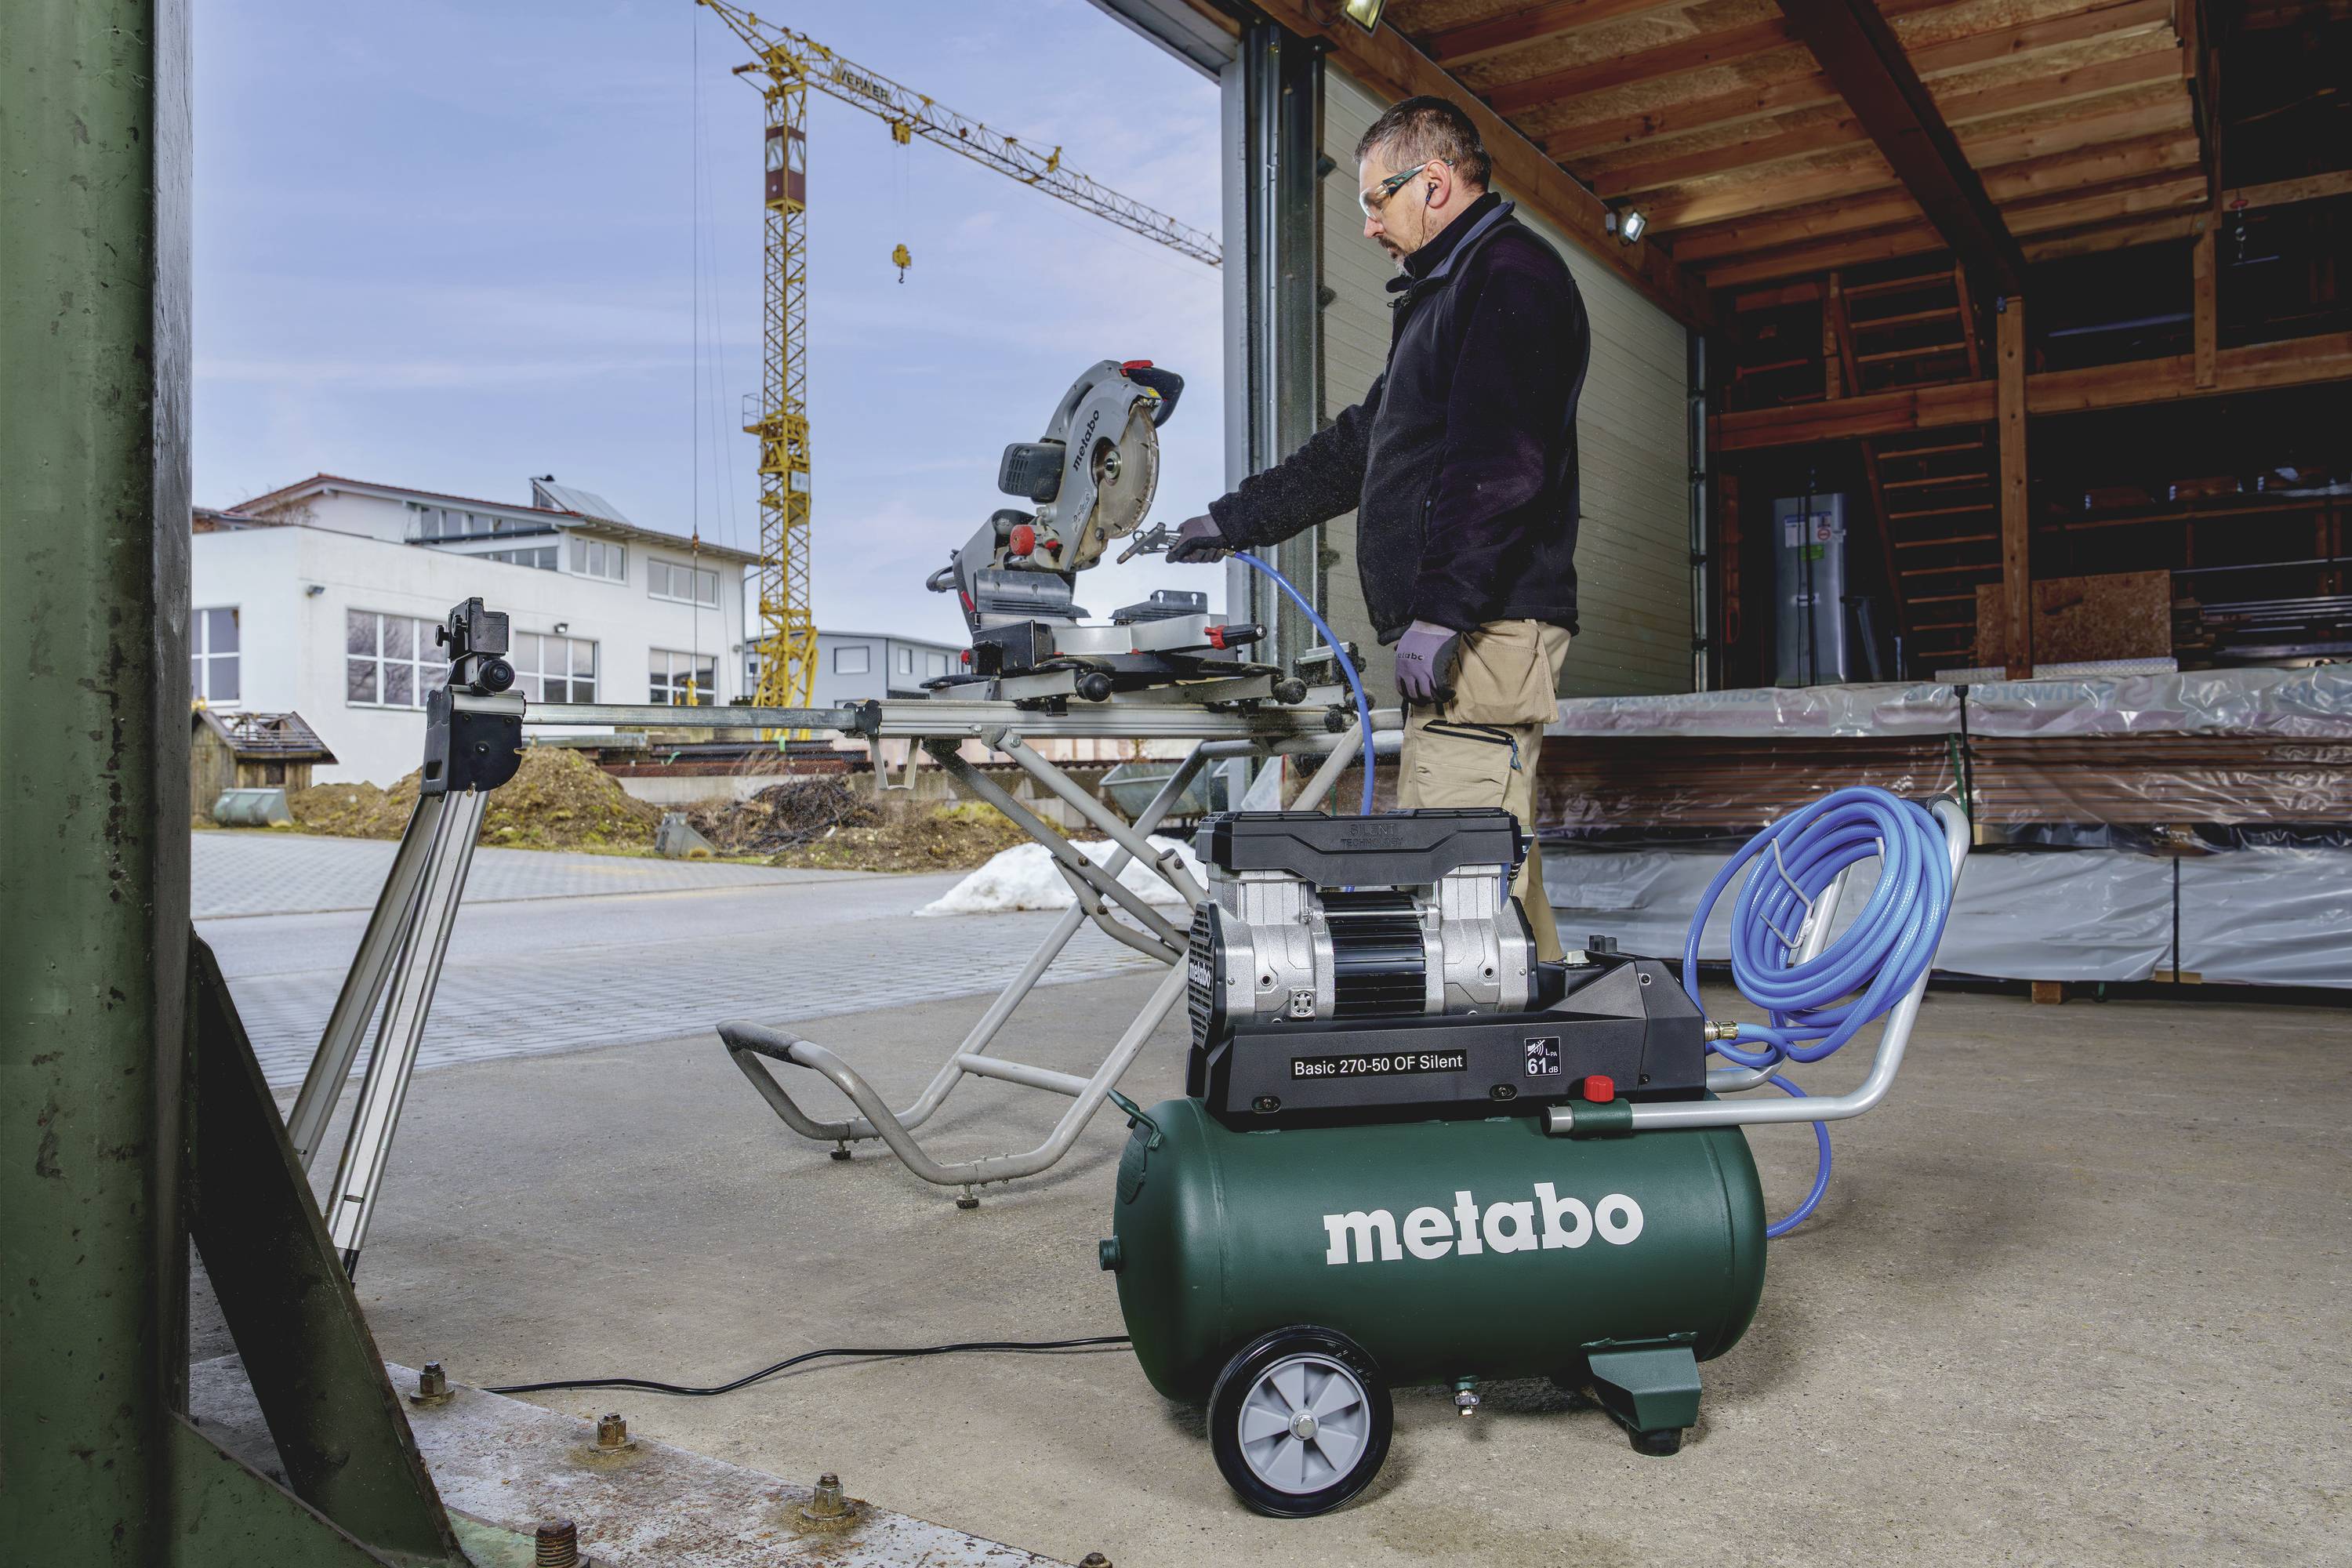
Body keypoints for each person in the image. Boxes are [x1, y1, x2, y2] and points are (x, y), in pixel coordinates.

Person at [1165, 95, 1590, 960]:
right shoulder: (1442, 296)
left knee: (1460, 881)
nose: (1366, 226)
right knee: (1491, 866)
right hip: (1466, 628)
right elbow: (1366, 445)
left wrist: (1443, 610)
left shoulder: (1509, 276)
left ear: (1432, 182)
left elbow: (1501, 464)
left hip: (1486, 629)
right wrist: (1237, 517)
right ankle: (1551, 1050)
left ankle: (1491, 1082)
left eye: (1373, 201)